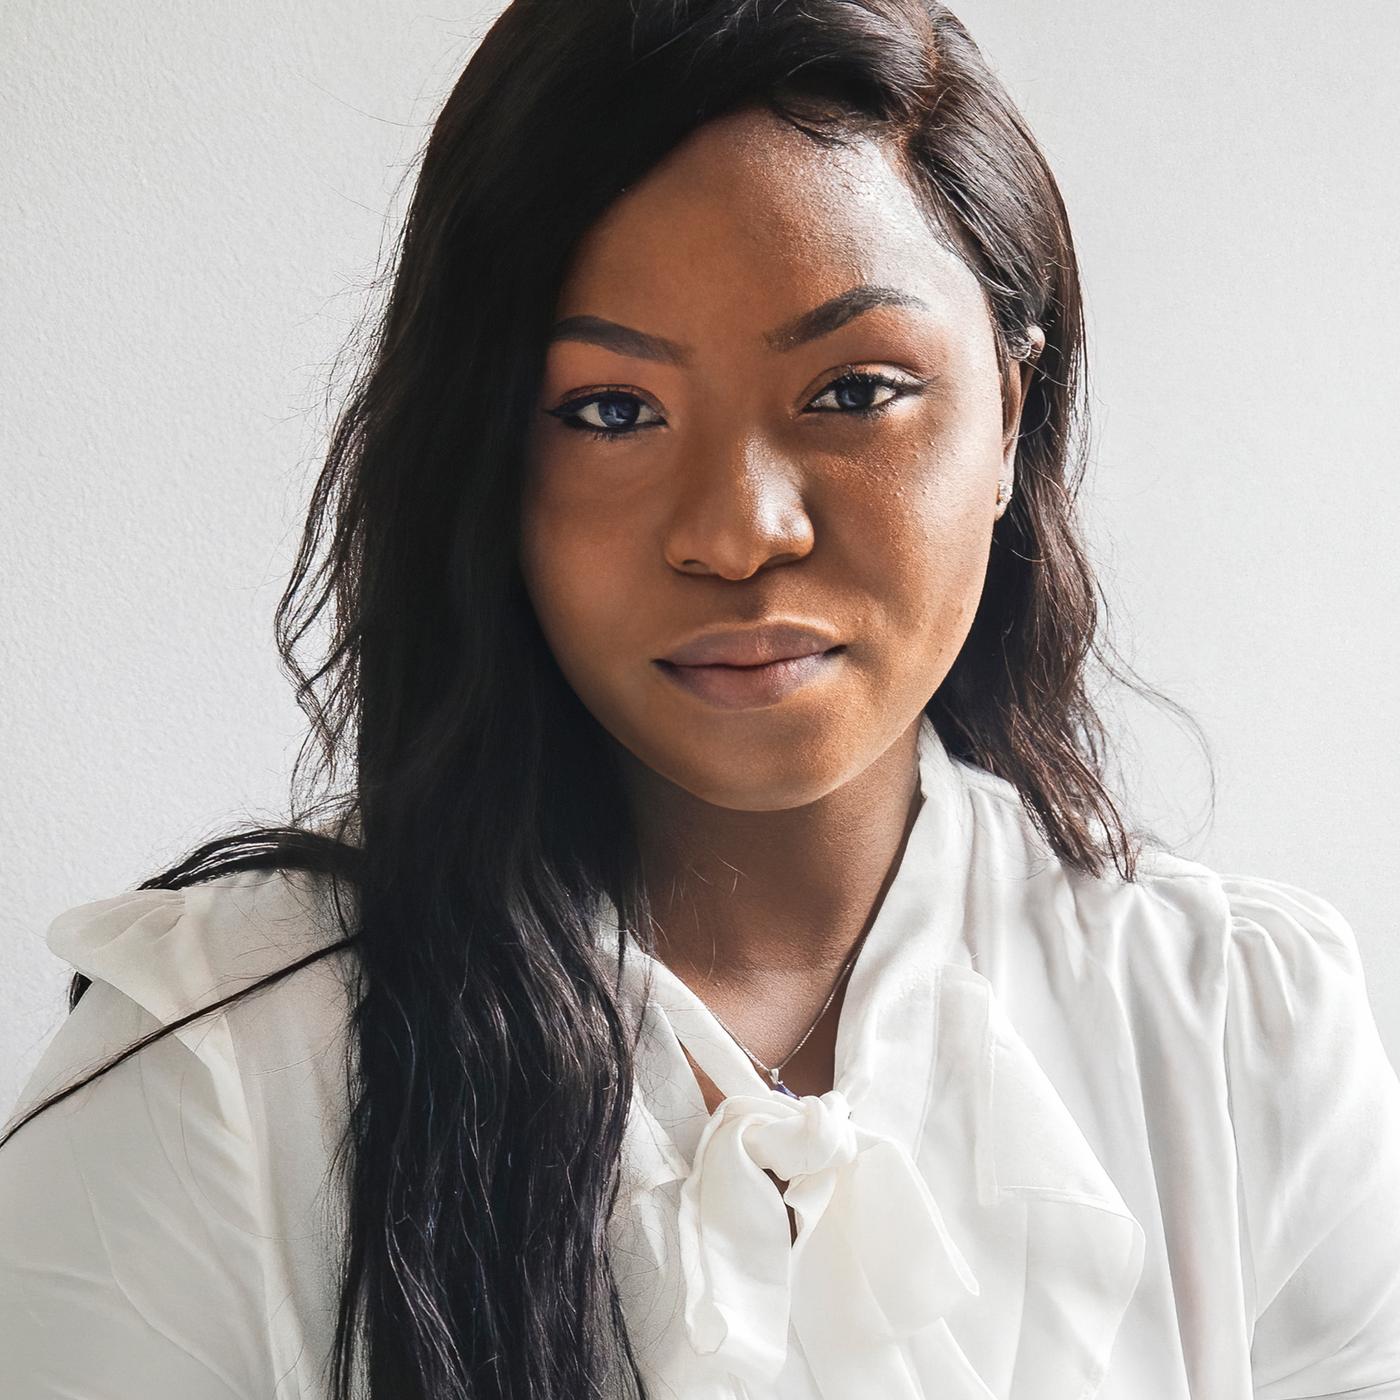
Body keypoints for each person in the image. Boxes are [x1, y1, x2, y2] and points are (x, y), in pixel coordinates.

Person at [3, 1, 1399, 1397]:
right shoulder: (218, 1083)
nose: (738, 531)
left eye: (855, 391)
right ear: (487, 458)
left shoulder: (1237, 1036)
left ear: (1010, 420)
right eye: (610, 410)